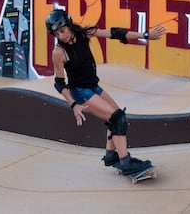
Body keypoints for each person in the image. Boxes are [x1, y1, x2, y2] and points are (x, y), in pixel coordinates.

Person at [46, 9, 167, 175]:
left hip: (93, 87)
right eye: (56, 34)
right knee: (117, 118)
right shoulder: (59, 52)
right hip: (80, 92)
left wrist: (145, 35)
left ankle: (111, 155)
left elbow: (115, 33)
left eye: (62, 31)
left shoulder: (85, 33)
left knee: (118, 116)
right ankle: (126, 162)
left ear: (69, 25)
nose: (61, 36)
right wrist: (73, 105)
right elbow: (59, 83)